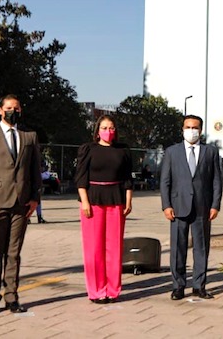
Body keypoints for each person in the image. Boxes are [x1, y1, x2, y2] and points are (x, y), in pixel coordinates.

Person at [0, 94, 42, 315]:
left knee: (14, 253)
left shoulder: (29, 137)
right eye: (9, 107)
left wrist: (34, 198)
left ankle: (12, 297)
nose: (13, 111)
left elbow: (35, 170)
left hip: (21, 204)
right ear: (0, 110)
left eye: (17, 107)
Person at [161, 115, 223, 300]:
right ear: (182, 129)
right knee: (178, 248)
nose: (191, 130)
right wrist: (166, 205)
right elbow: (165, 181)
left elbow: (217, 181)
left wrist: (215, 205)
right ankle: (178, 286)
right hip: (178, 207)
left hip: (202, 208)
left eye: (195, 127)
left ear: (201, 130)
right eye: (187, 127)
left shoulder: (210, 152)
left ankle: (199, 286)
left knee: (201, 248)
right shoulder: (172, 152)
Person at [75, 115, 133, 304]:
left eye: (111, 128)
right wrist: (84, 201)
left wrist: (128, 201)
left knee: (114, 247)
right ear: (97, 130)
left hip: (116, 199)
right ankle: (97, 290)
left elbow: (127, 178)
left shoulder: (123, 150)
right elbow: (81, 178)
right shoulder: (88, 149)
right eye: (105, 127)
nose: (108, 131)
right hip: (93, 200)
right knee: (94, 248)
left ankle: (113, 290)